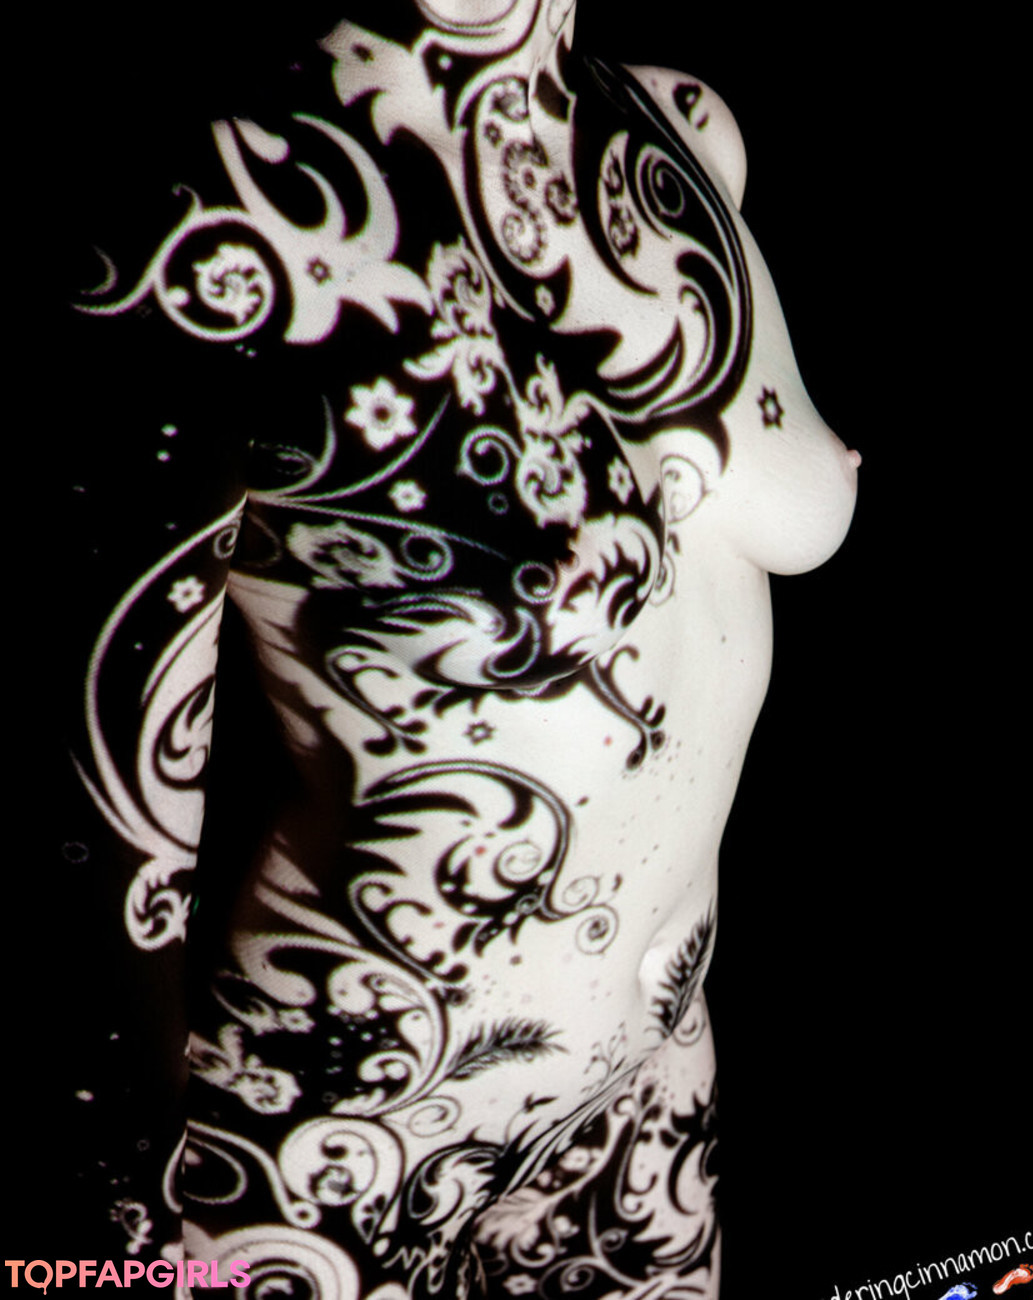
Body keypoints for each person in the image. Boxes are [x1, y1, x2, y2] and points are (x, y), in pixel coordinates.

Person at [48, 1, 857, 1293]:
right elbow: (94, 838)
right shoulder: (227, 219)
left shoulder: (684, 133)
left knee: (1025, 1271)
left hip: (646, 1096)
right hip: (338, 1156)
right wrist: (129, 1264)